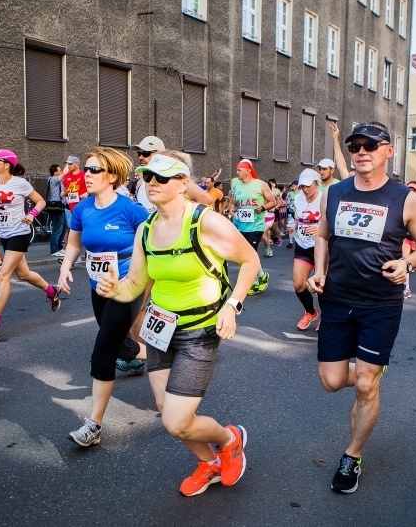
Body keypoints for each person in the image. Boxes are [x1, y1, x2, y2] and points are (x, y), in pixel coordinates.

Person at [95, 152, 259, 497]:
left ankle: (230, 439)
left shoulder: (205, 222)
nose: (152, 182)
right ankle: (208, 464)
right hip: (160, 328)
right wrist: (114, 290)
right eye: (147, 177)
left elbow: (250, 261)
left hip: (199, 331)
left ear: (183, 184)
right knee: (165, 410)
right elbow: (134, 286)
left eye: (162, 177)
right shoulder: (145, 229)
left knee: (176, 420)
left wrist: (232, 306)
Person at [307, 121, 416, 494]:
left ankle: (352, 455)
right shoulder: (335, 192)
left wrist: (408, 264)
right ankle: (374, 373)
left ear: (388, 151)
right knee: (331, 381)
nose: (361, 151)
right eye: (355, 145)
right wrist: (319, 271)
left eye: (371, 145)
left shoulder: (404, 199)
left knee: (364, 383)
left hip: (380, 303)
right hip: (336, 299)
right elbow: (323, 236)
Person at [56, 146, 150, 447]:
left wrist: (146, 280)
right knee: (121, 346)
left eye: (94, 170)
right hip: (98, 286)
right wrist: (65, 268)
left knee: (103, 352)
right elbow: (74, 242)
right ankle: (164, 352)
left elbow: (152, 244)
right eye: (86, 168)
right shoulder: (83, 208)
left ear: (111, 176)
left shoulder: (131, 209)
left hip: (127, 285)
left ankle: (93, 425)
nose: (87, 174)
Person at [0, 149, 62, 334]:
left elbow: (40, 202)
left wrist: (32, 214)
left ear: (6, 165)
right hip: (4, 234)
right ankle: (52, 290)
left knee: (4, 274)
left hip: (20, 233)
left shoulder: (20, 183)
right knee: (24, 274)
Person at [227, 159, 277, 294]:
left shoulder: (261, 184)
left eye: (239, 170)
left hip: (256, 226)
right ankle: (261, 275)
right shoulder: (235, 183)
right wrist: (232, 209)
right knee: (246, 253)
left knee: (249, 253)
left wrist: (262, 207)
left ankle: (253, 282)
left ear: (248, 170)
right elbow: (234, 201)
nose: (237, 172)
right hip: (240, 225)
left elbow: (273, 202)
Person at [131, 136, 214, 213]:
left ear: (160, 153)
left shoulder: (173, 178)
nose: (140, 157)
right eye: (139, 154)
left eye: (146, 153)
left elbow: (206, 199)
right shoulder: (140, 182)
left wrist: (181, 221)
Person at [290, 169, 323, 330]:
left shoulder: (325, 199)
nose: (305, 189)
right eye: (302, 186)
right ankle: (310, 312)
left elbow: (334, 223)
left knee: (322, 286)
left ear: (317, 183)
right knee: (298, 284)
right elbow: (296, 217)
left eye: (308, 186)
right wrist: (292, 227)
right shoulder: (297, 198)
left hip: (322, 247)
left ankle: (327, 317)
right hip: (302, 245)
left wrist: (320, 230)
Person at [62, 156, 86, 248]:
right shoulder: (67, 176)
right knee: (70, 229)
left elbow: (90, 189)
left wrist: (86, 194)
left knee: (84, 228)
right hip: (69, 207)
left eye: (71, 164)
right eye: (68, 164)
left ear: (77, 164)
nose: (69, 166)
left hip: (82, 206)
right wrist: (64, 194)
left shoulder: (83, 175)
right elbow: (66, 190)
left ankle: (86, 248)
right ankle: (69, 249)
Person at [46, 163, 68, 257]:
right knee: (57, 228)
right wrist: (68, 163)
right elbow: (65, 174)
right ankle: (54, 250)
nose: (61, 172)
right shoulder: (53, 179)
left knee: (64, 227)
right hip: (56, 206)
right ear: (55, 173)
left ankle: (59, 247)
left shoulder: (59, 182)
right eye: (59, 171)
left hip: (61, 206)